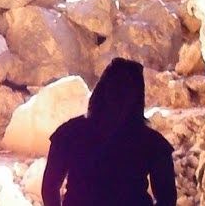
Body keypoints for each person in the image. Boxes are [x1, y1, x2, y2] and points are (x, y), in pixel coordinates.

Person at [42, 58, 177, 206]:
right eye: (118, 90)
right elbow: (167, 198)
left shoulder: (69, 133)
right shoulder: (152, 143)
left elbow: (49, 189)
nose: (119, 98)